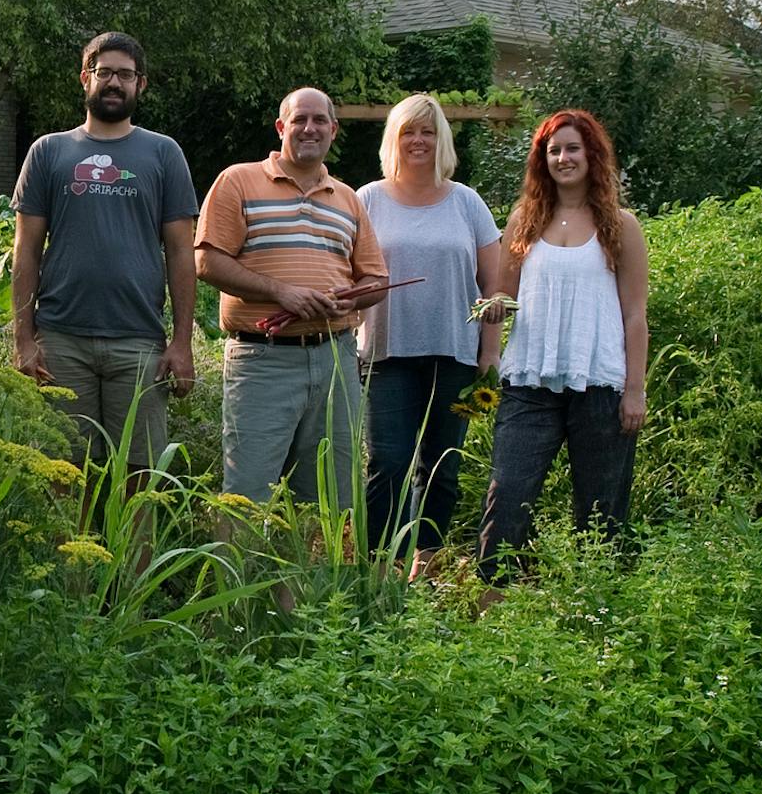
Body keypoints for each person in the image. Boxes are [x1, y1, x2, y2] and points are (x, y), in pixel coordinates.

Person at [12, 31, 199, 470]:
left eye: (126, 75)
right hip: (60, 341)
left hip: (138, 343)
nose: (115, 83)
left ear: (141, 85)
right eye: (105, 72)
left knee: (138, 474)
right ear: (85, 78)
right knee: (63, 472)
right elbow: (26, 251)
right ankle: (64, 543)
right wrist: (23, 339)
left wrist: (182, 342)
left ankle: (133, 546)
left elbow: (180, 253)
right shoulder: (48, 151)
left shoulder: (163, 153)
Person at [477, 108, 650, 581]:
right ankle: (494, 599)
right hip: (530, 381)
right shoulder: (524, 221)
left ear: (591, 155)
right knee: (509, 491)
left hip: (599, 384)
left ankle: (600, 604)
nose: (562, 158)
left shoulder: (621, 225)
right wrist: (492, 308)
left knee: (601, 508)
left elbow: (635, 314)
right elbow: (503, 295)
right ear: (541, 159)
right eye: (553, 150)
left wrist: (635, 389)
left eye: (572, 148)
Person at [195, 86, 387, 504]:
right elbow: (208, 261)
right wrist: (283, 293)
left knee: (330, 496)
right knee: (247, 493)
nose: (309, 128)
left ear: (333, 130)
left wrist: (349, 299)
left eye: (320, 120)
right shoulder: (238, 181)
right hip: (263, 361)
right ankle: (239, 571)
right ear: (282, 127)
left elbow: (375, 279)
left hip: (334, 359)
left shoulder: (348, 200)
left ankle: (314, 573)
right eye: (300, 119)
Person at [357, 94, 503, 558]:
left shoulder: (467, 203)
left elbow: (494, 287)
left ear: (443, 139)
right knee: (389, 462)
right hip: (385, 352)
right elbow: (345, 274)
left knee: (443, 465)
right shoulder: (367, 200)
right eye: (408, 132)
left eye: (428, 131)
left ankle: (427, 561)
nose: (418, 141)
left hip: (454, 353)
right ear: (393, 140)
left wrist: (491, 351)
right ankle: (382, 563)